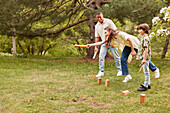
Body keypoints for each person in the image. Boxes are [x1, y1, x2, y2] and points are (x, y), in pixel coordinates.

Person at [94, 11, 122, 77]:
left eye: (100, 17)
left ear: (102, 15)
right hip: (104, 42)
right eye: (97, 18)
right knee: (101, 56)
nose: (99, 19)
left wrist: (114, 41)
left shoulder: (108, 22)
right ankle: (101, 71)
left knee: (116, 56)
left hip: (112, 42)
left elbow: (115, 31)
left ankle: (119, 70)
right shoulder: (97, 26)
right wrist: (96, 47)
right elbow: (97, 37)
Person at [137, 23, 151, 91]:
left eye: (140, 30)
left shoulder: (145, 38)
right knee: (146, 71)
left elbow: (146, 49)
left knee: (146, 72)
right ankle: (148, 84)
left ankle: (145, 85)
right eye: (138, 30)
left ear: (145, 30)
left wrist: (144, 59)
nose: (139, 31)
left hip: (144, 57)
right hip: (143, 57)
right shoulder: (143, 37)